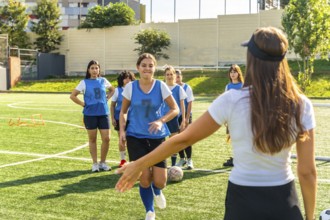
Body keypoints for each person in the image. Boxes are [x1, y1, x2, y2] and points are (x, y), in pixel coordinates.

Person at [115, 27, 317, 220]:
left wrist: (139, 164)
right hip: (284, 199)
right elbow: (307, 172)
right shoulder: (301, 104)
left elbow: (182, 140)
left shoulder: (232, 99)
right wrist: (309, 217)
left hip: (242, 200)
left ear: (251, 59)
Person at [119, 53, 179, 220]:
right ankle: (149, 211)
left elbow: (175, 109)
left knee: (160, 181)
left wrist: (161, 121)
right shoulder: (130, 87)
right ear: (138, 68)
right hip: (135, 137)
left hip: (157, 137)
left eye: (150, 65)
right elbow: (123, 111)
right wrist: (122, 131)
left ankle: (157, 191)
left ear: (154, 68)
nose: (147, 68)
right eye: (143, 65)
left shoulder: (160, 86)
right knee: (144, 178)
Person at [70, 60, 114, 172]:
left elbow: (112, 90)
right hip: (90, 114)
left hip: (103, 113)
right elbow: (73, 96)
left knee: (107, 138)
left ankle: (103, 162)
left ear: (99, 70)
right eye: (92, 68)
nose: (94, 70)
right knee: (92, 139)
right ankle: (95, 164)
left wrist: (107, 98)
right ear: (88, 70)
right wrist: (83, 104)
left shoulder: (103, 80)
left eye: (96, 68)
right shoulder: (84, 82)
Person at [162, 66, 187, 167]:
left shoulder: (178, 88)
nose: (169, 76)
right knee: (162, 143)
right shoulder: (162, 87)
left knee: (173, 142)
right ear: (165, 76)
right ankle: (161, 164)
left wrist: (183, 120)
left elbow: (182, 105)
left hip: (173, 119)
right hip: (163, 118)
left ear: (175, 75)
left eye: (171, 74)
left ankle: (172, 165)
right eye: (167, 74)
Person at [110, 70, 136, 168]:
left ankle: (133, 161)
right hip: (120, 119)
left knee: (132, 140)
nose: (127, 80)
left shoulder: (135, 89)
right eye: (125, 78)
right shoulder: (118, 90)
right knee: (122, 139)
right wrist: (112, 118)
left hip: (133, 119)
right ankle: (123, 160)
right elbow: (112, 105)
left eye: (129, 78)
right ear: (122, 80)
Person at [223, 64, 244, 167]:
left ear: (238, 73)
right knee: (233, 138)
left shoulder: (243, 85)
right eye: (231, 72)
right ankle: (236, 157)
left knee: (242, 137)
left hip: (242, 116)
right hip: (231, 117)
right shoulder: (228, 86)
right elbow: (226, 102)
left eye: (234, 72)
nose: (232, 74)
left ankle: (241, 158)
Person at [175, 69, 195, 169]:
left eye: (178, 76)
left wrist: (186, 118)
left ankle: (189, 160)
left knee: (186, 138)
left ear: (181, 77)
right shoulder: (171, 87)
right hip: (175, 117)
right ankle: (182, 158)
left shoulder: (186, 87)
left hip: (185, 116)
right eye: (175, 76)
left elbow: (190, 102)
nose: (177, 78)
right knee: (177, 139)